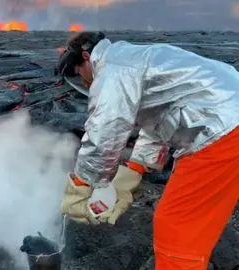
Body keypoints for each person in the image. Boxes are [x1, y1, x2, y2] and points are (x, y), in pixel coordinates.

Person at [58, 31, 239, 269]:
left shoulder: (114, 68)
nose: (82, 80)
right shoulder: (134, 58)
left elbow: (106, 128)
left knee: (175, 226)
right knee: (197, 224)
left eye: (78, 71)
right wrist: (134, 169)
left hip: (222, 130)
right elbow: (159, 119)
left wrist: (81, 185)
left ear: (85, 56)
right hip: (227, 121)